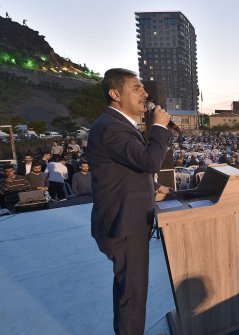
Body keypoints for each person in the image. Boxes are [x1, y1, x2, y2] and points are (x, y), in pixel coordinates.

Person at [86, 68, 172, 334]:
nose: (145, 94)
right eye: (136, 88)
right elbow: (148, 161)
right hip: (124, 226)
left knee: (128, 291)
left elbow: (123, 171)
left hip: (125, 221)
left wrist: (155, 187)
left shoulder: (118, 125)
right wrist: (159, 127)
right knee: (133, 296)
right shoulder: (112, 126)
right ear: (115, 94)